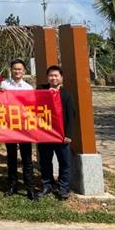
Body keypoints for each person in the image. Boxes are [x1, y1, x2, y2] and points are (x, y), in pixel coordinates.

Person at [0, 58, 38, 201]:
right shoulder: (4, 85)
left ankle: (30, 188)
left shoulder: (28, 88)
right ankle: (12, 186)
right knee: (11, 157)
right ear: (11, 70)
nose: (17, 71)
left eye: (19, 69)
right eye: (15, 69)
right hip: (9, 126)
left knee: (27, 158)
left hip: (24, 127)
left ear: (24, 71)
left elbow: (32, 107)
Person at [37, 65, 77, 200]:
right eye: (51, 75)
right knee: (45, 161)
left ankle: (63, 188)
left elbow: (71, 115)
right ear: (47, 77)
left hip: (61, 135)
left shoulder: (66, 95)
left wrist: (69, 134)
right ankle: (47, 185)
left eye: (56, 75)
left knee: (65, 162)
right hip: (45, 134)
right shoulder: (41, 90)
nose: (53, 78)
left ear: (61, 78)